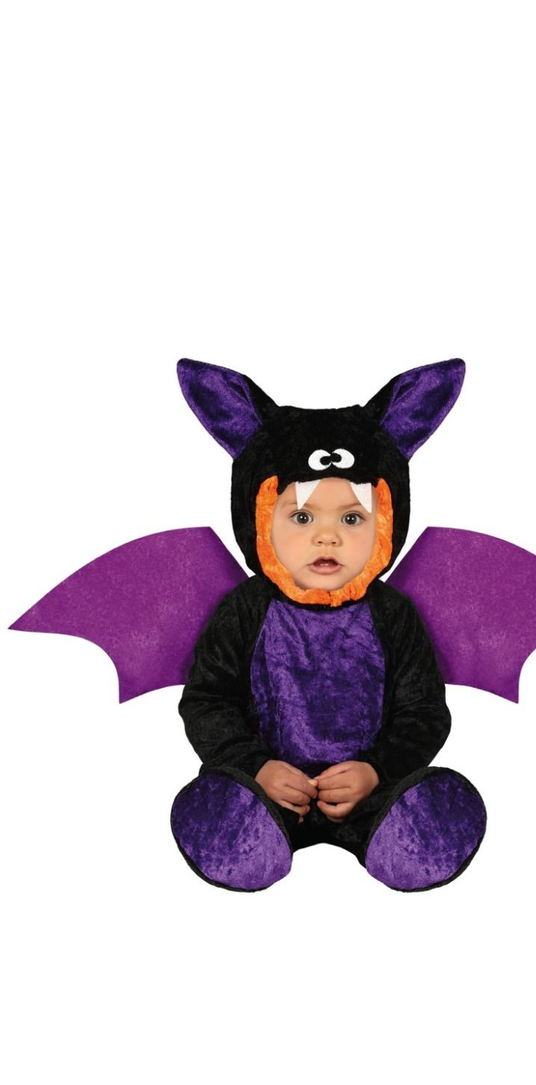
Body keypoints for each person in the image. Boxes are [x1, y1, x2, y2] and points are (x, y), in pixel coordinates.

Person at [170, 357, 486, 891]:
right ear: (259, 517)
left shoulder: (394, 613)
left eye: (352, 517)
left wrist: (376, 770)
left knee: (429, 826)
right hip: (270, 790)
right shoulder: (244, 609)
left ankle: (394, 828)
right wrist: (256, 766)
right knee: (229, 822)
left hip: (367, 795)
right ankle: (247, 820)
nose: (327, 536)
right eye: (301, 516)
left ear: (386, 520)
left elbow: (423, 711)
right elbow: (208, 701)